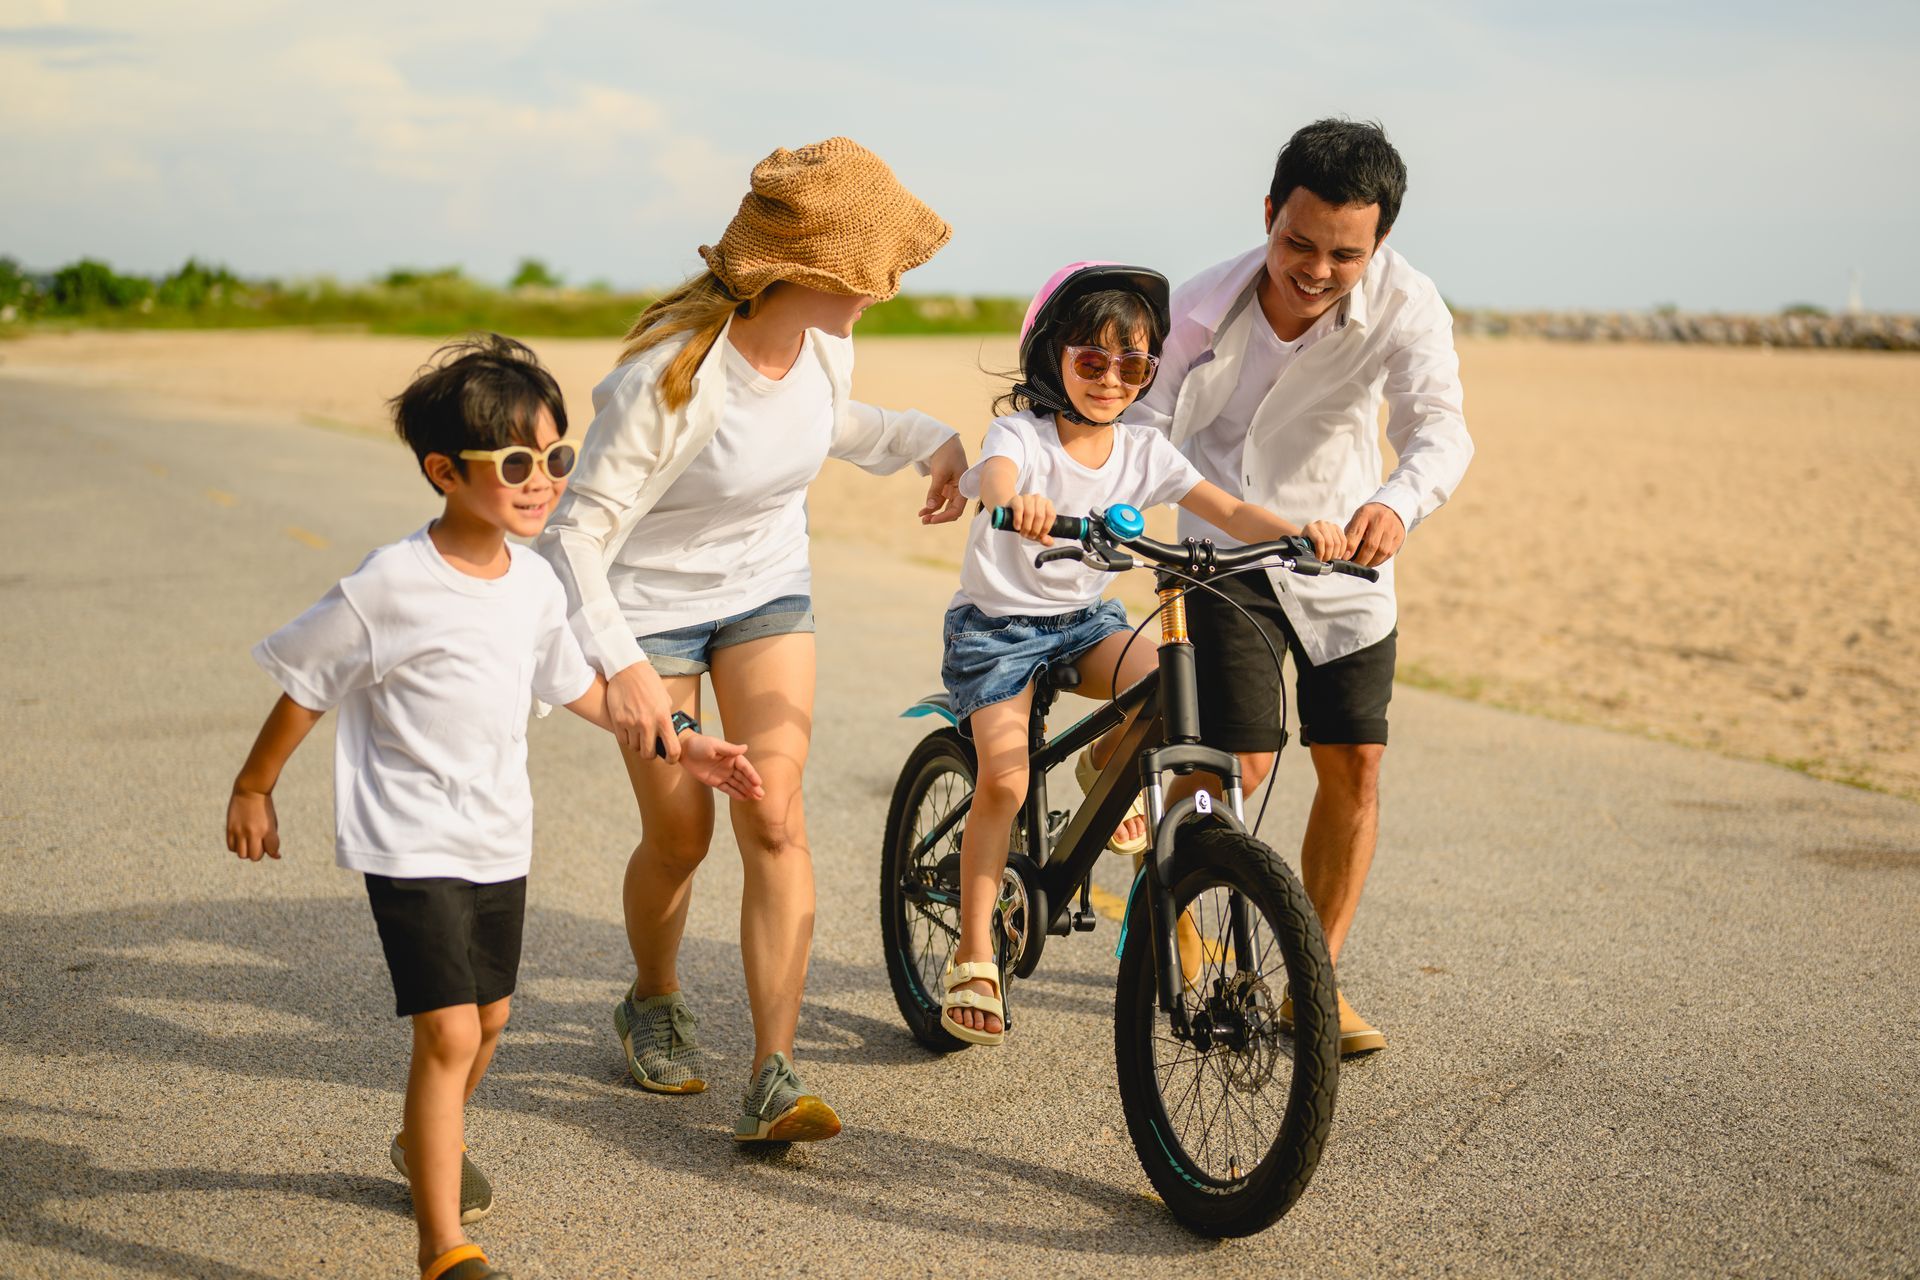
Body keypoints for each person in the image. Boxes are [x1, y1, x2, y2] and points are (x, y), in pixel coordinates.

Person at [223, 335, 762, 1280]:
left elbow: (585, 690)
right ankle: (444, 1246)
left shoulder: (535, 583)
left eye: (556, 458)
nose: (543, 481)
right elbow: (306, 682)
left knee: (497, 1016)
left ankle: (423, 1140)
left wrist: (686, 742)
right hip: (409, 840)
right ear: (443, 471)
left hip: (497, 836)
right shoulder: (389, 584)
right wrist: (256, 785)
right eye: (515, 463)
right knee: (452, 1031)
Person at [536, 137, 969, 1141]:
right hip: (644, 609)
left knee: (775, 813)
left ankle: (773, 1068)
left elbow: (826, 423)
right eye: (862, 276)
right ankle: (652, 995)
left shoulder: (823, 342)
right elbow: (574, 538)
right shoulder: (667, 378)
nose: (879, 292)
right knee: (683, 835)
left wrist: (924, 441)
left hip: (766, 589)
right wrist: (630, 670)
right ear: (801, 272)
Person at [1128, 119, 1474, 1056]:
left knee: (1356, 764)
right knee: (1235, 765)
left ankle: (1313, 983)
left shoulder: (1409, 303)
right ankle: (1186, 915)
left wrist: (1398, 504)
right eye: (1299, 244)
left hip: (1347, 556)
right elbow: (1144, 432)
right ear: (1270, 213)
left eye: (1345, 254)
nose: (1316, 271)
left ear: (1381, 242)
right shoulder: (1201, 306)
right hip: (1224, 548)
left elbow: (1441, 429)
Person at [938, 263, 1346, 1045]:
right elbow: (990, 478)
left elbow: (1223, 507)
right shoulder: (1021, 436)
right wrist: (1012, 502)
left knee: (1171, 686)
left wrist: (1298, 533)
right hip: (997, 630)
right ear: (1053, 353)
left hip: (1083, 620)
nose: (1111, 379)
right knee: (1006, 778)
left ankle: (1105, 774)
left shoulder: (1143, 448)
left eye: (1134, 365)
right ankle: (975, 951)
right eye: (1092, 359)